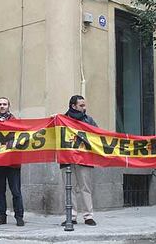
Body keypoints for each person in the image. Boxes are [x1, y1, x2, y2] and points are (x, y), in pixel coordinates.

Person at [60, 95, 97, 226]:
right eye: (81, 105)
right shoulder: (62, 120)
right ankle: (71, 216)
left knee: (85, 187)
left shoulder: (89, 120)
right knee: (69, 188)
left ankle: (88, 216)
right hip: (67, 158)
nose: (84, 108)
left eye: (84, 105)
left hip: (84, 158)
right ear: (73, 106)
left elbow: (98, 136)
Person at [0, 97, 25, 226]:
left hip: (13, 163)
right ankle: (1, 216)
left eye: (4, 104)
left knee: (16, 191)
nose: (2, 106)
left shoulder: (16, 122)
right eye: (0, 104)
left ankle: (19, 216)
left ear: (9, 106)